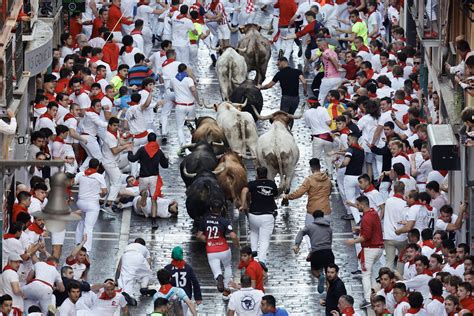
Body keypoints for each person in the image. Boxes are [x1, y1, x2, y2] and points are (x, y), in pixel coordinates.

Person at [345, 195, 384, 309]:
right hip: (378, 248)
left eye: (357, 205)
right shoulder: (373, 213)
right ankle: (374, 294)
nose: (357, 207)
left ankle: (367, 299)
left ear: (362, 205)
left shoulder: (366, 217)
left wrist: (354, 241)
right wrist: (359, 229)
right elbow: (373, 228)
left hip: (370, 249)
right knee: (371, 273)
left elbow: (365, 236)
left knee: (365, 274)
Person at [196, 199, 239, 298]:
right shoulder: (224, 221)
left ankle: (219, 277)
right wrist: (237, 245)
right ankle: (227, 290)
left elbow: (199, 235)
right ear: (222, 209)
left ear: (211, 209)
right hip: (224, 249)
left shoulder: (205, 220)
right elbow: (233, 236)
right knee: (227, 266)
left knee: (216, 270)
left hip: (211, 250)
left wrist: (208, 240)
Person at [127, 132, 169, 229]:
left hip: (143, 177)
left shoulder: (142, 150)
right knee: (154, 200)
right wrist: (166, 158)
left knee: (143, 195)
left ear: (148, 140)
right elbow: (165, 165)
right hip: (154, 177)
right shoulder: (159, 151)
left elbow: (132, 159)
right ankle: (154, 221)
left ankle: (144, 205)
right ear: (155, 140)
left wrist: (129, 150)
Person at [239, 166, 278, 267]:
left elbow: (244, 191)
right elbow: (275, 195)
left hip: (253, 215)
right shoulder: (272, 184)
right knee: (264, 239)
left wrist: (243, 205)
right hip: (267, 216)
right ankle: (261, 260)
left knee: (254, 232)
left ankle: (254, 250)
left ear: (257, 174)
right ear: (266, 174)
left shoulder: (252, 184)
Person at [293, 210, 333, 294]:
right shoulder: (329, 227)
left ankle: (319, 276)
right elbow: (330, 241)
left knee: (314, 270)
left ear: (314, 217)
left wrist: (297, 244)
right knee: (329, 275)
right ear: (323, 216)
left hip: (316, 252)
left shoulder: (310, 226)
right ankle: (329, 294)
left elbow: (301, 232)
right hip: (328, 252)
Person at [74, 158, 108, 252]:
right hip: (92, 205)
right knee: (88, 227)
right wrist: (100, 193)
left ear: (89, 165)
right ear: (97, 167)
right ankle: (86, 249)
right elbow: (104, 192)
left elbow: (73, 182)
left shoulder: (81, 174)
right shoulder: (99, 176)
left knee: (81, 222)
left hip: (81, 203)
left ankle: (77, 242)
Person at [170, 63, 199, 155]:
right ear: (185, 70)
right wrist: (198, 100)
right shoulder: (189, 79)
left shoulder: (173, 79)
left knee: (179, 128)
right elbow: (193, 90)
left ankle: (182, 146)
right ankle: (195, 140)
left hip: (180, 106)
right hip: (190, 106)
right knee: (193, 123)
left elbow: (171, 89)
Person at [164, 246, 202, 312]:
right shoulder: (188, 268)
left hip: (171, 297)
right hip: (185, 298)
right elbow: (195, 282)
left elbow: (164, 282)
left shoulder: (167, 268)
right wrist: (198, 297)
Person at [303, 99, 334, 175]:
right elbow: (329, 122)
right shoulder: (323, 109)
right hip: (328, 137)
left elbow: (308, 125)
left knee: (316, 157)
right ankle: (330, 173)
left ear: (310, 104)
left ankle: (314, 174)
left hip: (317, 137)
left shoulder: (307, 112)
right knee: (329, 156)